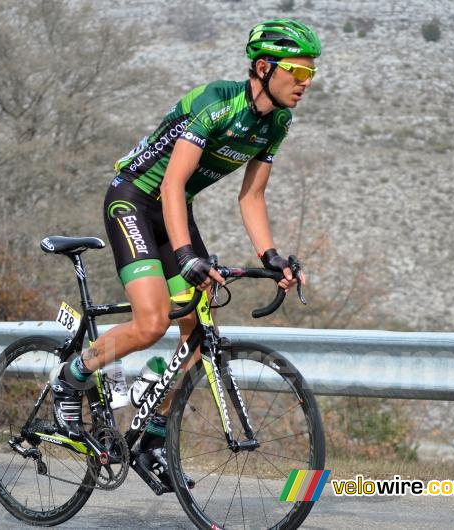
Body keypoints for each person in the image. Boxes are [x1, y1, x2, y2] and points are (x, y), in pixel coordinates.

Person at [50, 19, 319, 488]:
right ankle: (71, 377)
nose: (305, 82)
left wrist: (271, 254)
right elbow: (172, 183)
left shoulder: (277, 121)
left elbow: (251, 197)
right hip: (133, 199)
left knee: (197, 333)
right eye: (297, 70)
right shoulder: (215, 103)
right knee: (153, 322)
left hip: (175, 210)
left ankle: (152, 436)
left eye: (310, 73)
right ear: (263, 66)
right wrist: (188, 255)